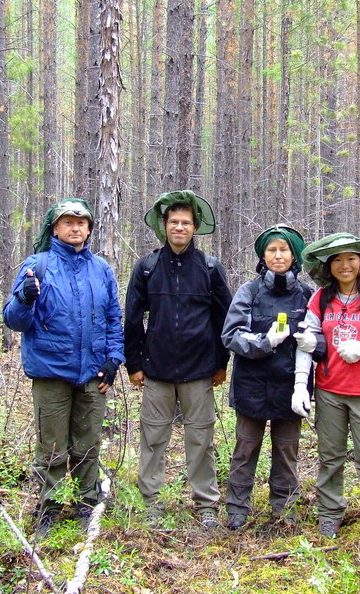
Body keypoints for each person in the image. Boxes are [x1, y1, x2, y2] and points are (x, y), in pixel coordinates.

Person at [3, 198, 125, 538]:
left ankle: (87, 504)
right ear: (55, 228)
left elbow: (114, 318)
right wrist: (24, 298)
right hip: (50, 374)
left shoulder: (100, 269)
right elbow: (13, 320)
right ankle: (49, 509)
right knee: (52, 448)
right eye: (68, 222)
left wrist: (114, 359)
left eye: (82, 222)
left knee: (88, 444)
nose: (76, 228)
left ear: (88, 229)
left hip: (92, 375)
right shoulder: (37, 265)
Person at [124, 190, 233, 529]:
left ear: (195, 227)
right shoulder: (147, 267)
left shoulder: (210, 268)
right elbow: (132, 318)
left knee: (200, 438)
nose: (180, 228)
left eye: (186, 223)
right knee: (153, 437)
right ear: (164, 225)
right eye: (174, 222)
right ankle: (152, 503)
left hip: (199, 369)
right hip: (156, 370)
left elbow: (224, 319)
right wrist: (135, 364)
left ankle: (206, 504)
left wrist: (220, 363)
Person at [292, 233, 360, 553]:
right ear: (328, 265)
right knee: (330, 458)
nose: (345, 265)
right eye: (337, 259)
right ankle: (329, 513)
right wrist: (301, 383)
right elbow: (306, 343)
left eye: (351, 258)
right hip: (329, 391)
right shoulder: (319, 299)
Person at [221, 224, 319, 530]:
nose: (278, 256)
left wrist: (312, 344)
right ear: (263, 255)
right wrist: (264, 342)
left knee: (287, 451)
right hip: (252, 387)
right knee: (245, 449)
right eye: (272, 250)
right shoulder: (249, 291)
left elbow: (320, 337)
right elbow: (231, 335)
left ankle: (285, 509)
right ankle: (237, 509)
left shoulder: (307, 294)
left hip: (291, 387)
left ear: (295, 255)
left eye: (284, 250)